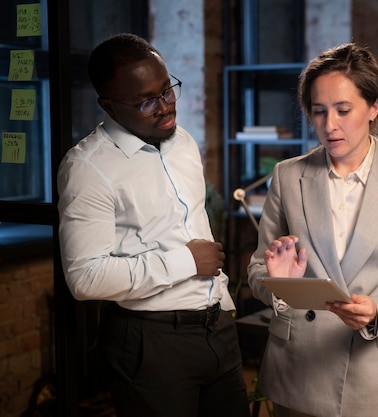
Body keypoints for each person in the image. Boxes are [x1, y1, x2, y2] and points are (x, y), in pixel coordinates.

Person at [57, 33, 250, 417]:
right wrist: (186, 262)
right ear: (108, 106)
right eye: (147, 101)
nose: (165, 108)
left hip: (218, 330)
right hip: (151, 342)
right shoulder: (87, 168)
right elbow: (84, 278)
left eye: (168, 90)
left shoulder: (183, 144)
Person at [247, 42, 378, 417]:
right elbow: (257, 269)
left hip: (377, 374)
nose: (329, 125)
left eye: (343, 110)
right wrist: (278, 284)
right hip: (298, 367)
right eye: (318, 112)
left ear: (374, 107)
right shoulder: (288, 176)